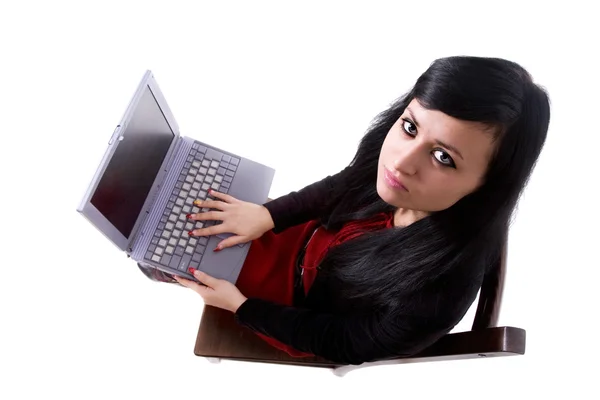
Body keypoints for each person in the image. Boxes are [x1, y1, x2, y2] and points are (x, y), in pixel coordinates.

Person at [173, 56, 551, 365]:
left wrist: (241, 308)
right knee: (187, 202)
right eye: (410, 126)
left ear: (487, 186)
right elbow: (341, 186)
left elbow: (342, 342)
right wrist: (268, 216)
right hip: (306, 243)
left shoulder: (435, 293)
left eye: (442, 157)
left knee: (167, 254)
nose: (401, 162)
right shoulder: (401, 176)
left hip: (295, 309)